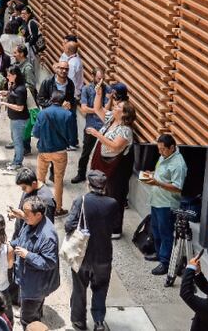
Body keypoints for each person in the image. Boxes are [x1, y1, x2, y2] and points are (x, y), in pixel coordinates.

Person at [66, 171, 121, 331]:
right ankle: (98, 322)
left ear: (88, 185)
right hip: (103, 255)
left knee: (79, 289)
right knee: (100, 289)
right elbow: (116, 224)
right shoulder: (112, 203)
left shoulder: (80, 201)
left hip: (82, 255)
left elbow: (69, 225)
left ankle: (78, 321)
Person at [84, 92, 136, 237]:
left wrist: (97, 134)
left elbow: (115, 146)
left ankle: (115, 229)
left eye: (118, 106)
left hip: (116, 167)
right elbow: (97, 108)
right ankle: (103, 223)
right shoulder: (111, 119)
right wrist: (99, 93)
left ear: (124, 113)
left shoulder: (126, 130)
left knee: (115, 197)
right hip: (102, 161)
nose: (114, 106)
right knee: (102, 193)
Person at [142, 134, 188, 276]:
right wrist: (153, 174)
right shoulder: (164, 156)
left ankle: (165, 262)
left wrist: (157, 183)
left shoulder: (178, 165)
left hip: (167, 204)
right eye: (159, 149)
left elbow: (177, 187)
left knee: (165, 233)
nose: (160, 152)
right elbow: (163, 174)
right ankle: (158, 253)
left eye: (163, 150)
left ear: (172, 147)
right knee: (156, 230)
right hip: (156, 200)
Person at [12, 197, 60, 325]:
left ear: (38, 214)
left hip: (35, 286)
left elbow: (49, 262)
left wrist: (28, 255)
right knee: (33, 309)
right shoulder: (31, 222)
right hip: (28, 280)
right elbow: (22, 239)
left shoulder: (47, 236)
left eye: (26, 214)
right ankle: (36, 315)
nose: (23, 216)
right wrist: (11, 245)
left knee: (28, 320)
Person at [32, 89, 74, 215]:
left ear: (51, 99)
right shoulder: (68, 114)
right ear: (63, 101)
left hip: (44, 150)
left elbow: (35, 133)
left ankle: (39, 205)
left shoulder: (42, 113)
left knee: (40, 179)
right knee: (58, 180)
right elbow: (72, 137)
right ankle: (58, 208)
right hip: (60, 152)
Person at [72, 68, 110, 184]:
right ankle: (81, 174)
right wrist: (98, 110)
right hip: (91, 125)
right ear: (93, 76)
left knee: (102, 154)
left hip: (105, 126)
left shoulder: (107, 89)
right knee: (86, 152)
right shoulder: (86, 89)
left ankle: (100, 179)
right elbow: (84, 109)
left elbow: (108, 108)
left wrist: (97, 110)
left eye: (102, 78)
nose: (101, 81)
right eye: (99, 78)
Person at [37, 61, 78, 148]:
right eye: (61, 68)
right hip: (49, 116)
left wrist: (69, 104)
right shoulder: (47, 82)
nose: (64, 71)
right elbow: (40, 100)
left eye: (66, 69)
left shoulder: (70, 84)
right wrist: (56, 105)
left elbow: (70, 99)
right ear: (56, 69)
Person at [2, 65, 33, 168]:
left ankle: (18, 163)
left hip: (20, 120)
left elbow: (20, 107)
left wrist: (5, 104)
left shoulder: (21, 89)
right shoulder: (14, 85)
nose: (7, 77)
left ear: (15, 76)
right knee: (16, 140)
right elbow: (12, 95)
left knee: (18, 142)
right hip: (15, 119)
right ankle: (15, 160)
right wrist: (5, 93)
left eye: (9, 75)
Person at [11, 168, 55, 235]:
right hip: (20, 234)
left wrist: (22, 216)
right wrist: (16, 214)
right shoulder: (29, 189)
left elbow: (46, 227)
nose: (22, 190)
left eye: (24, 187)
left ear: (34, 183)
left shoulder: (46, 200)